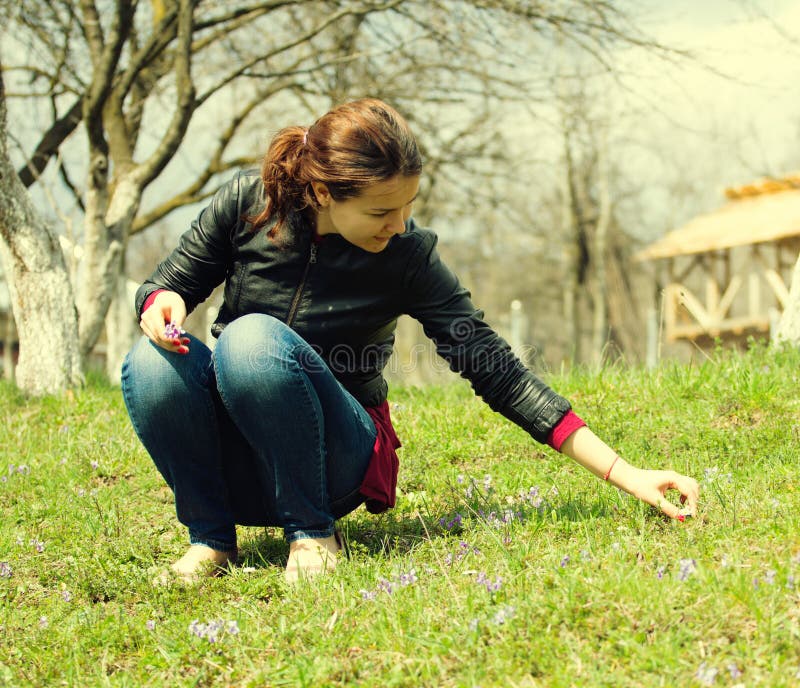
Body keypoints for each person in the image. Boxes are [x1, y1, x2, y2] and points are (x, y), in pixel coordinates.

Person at [121, 98, 699, 584]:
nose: (399, 224)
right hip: (238, 458)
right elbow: (164, 286)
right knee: (150, 362)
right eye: (381, 210)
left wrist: (628, 473)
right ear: (323, 192)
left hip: (335, 456)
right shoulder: (247, 205)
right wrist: (159, 304)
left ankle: (312, 536)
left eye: (408, 207)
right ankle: (211, 541)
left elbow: (498, 371)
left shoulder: (407, 256)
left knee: (248, 341)